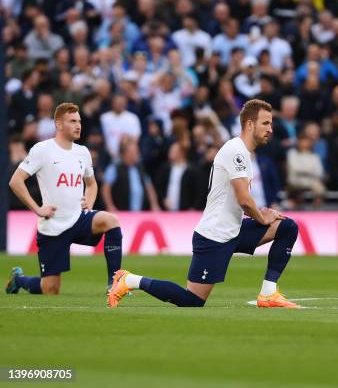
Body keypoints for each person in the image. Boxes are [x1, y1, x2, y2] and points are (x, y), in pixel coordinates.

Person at [107, 100, 300, 308]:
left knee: (287, 227)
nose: (270, 129)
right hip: (214, 235)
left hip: (233, 230)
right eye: (266, 123)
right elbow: (243, 199)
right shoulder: (236, 151)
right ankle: (129, 280)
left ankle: (268, 293)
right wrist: (262, 217)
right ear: (250, 124)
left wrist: (262, 215)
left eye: (271, 124)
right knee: (192, 301)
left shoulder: (243, 152)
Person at [6, 103, 123, 295]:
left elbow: (92, 184)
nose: (78, 125)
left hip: (78, 219)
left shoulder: (83, 152)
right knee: (50, 289)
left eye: (79, 121)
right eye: (72, 121)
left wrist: (89, 202)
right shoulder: (42, 149)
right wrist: (37, 209)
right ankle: (19, 279)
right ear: (59, 124)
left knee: (111, 221)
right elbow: (15, 181)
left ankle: (115, 282)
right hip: (53, 226)